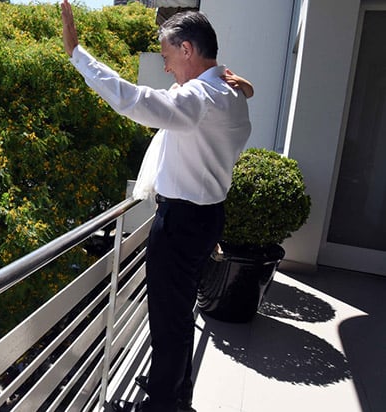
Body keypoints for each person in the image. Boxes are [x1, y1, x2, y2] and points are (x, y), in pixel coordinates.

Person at [60, 2, 252, 411]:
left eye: (166, 56)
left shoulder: (203, 98)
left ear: (186, 49)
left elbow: (134, 100)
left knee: (169, 316)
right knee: (178, 312)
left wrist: (79, 55)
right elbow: (184, 96)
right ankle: (174, 388)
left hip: (183, 221)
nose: (165, 67)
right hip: (205, 217)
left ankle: (162, 402)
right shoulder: (228, 91)